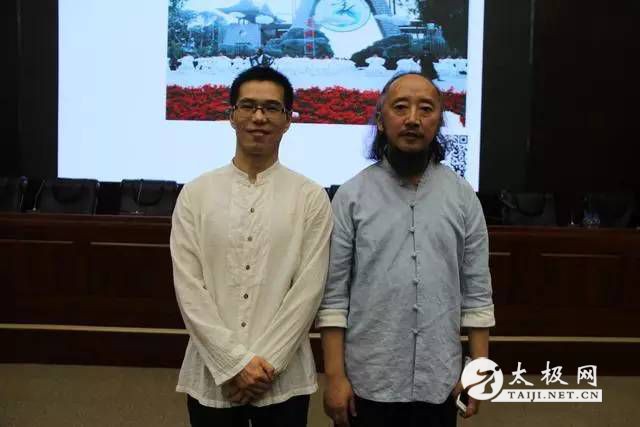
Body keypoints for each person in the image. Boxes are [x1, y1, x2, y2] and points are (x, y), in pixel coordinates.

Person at [317, 72, 495, 427]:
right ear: (381, 120)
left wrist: (478, 369)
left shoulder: (462, 196)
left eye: (426, 109)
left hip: (439, 380)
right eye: (400, 107)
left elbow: (477, 294)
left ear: (438, 122)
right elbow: (334, 299)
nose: (413, 118)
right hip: (368, 380)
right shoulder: (351, 196)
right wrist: (335, 378)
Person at [170, 66, 333, 426]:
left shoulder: (310, 197)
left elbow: (308, 291)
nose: (259, 117)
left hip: (282, 381)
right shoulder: (196, 194)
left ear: (288, 120)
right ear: (231, 116)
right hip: (212, 377)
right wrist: (232, 364)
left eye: (272, 108)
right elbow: (189, 288)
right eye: (248, 106)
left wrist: (263, 366)